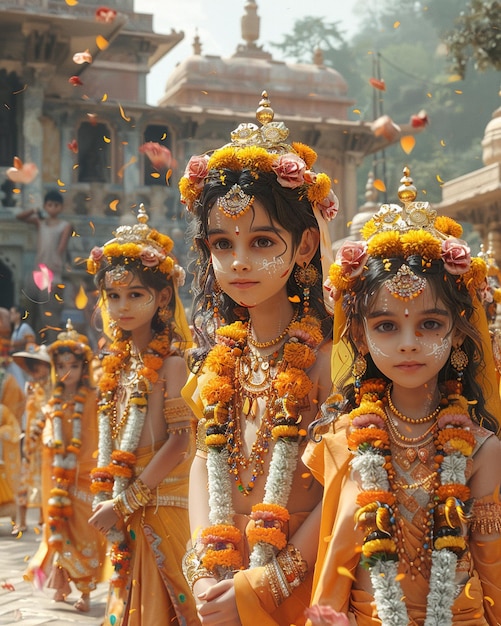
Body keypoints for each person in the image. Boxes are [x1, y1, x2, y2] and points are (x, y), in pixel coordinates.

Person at [305, 168, 501, 625]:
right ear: (360, 334)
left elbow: (491, 568)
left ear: (457, 335)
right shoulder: (340, 439)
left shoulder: (482, 448)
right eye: (387, 326)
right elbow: (328, 555)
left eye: (430, 324)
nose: (408, 343)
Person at [179, 91, 337, 625]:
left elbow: (345, 485)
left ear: (307, 246)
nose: (239, 262)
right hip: (223, 571)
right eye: (222, 244)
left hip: (300, 574)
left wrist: (268, 580)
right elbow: (204, 459)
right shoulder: (218, 358)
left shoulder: (330, 360)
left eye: (264, 242)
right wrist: (205, 567)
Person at [86, 205, 198, 626]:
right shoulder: (116, 363)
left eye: (135, 295)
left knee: (160, 607)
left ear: (163, 297)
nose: (122, 307)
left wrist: (125, 500)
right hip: (125, 497)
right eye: (113, 296)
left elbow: (180, 441)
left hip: (161, 501)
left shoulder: (171, 363)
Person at [24, 320, 107, 613]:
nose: (65, 372)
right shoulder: (53, 399)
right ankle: (61, 584)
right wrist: (37, 435)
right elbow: (46, 428)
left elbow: (101, 434)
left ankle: (85, 590)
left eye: (71, 365)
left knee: (84, 532)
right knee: (58, 526)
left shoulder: (95, 399)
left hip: (85, 474)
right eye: (60, 366)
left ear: (84, 367)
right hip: (58, 476)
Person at [17, 189, 73, 340]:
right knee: (30, 311)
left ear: (61, 207)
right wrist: (35, 210)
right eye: (49, 205)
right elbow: (19, 217)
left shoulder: (65, 225)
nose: (53, 208)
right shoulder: (40, 222)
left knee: (50, 313)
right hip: (38, 272)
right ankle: (29, 344)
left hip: (53, 274)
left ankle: (53, 345)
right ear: (45, 206)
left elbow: (61, 247)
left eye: (56, 205)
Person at [11, 344, 52, 535]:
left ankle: (45, 519)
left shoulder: (53, 386)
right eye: (31, 364)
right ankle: (21, 521)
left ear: (47, 366)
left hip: (45, 439)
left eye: (37, 364)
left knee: (46, 478)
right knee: (24, 480)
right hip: (28, 440)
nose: (33, 368)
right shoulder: (30, 386)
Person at [8, 305, 36, 397]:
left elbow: (31, 342)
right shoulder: (15, 330)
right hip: (16, 363)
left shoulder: (24, 327)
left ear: (18, 314)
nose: (10, 315)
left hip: (23, 363)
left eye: (12, 313)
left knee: (24, 385)